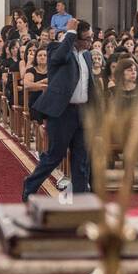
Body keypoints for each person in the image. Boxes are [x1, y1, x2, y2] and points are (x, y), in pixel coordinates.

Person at [23, 19, 94, 199]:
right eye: (86, 39)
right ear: (75, 39)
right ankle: (29, 188)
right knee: (54, 156)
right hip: (63, 113)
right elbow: (59, 57)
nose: (90, 42)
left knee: (81, 160)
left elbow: (89, 85)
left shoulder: (87, 55)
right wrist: (69, 32)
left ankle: (79, 200)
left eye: (91, 38)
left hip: (82, 112)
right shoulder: (56, 49)